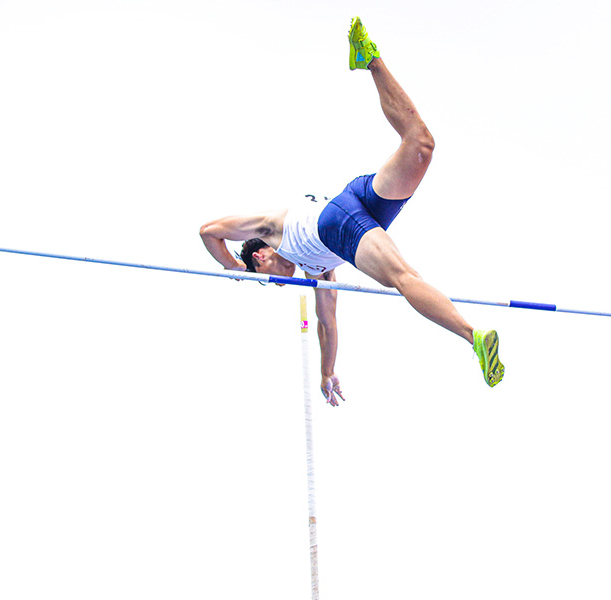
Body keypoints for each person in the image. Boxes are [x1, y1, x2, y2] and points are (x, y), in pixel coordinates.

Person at [200, 17, 504, 405]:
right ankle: (369, 59)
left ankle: (473, 337)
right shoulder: (317, 270)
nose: (277, 283)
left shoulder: (269, 228)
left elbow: (209, 230)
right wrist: (327, 372)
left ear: (259, 256)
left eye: (266, 277)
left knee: (403, 276)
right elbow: (327, 323)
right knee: (421, 145)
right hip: (353, 203)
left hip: (335, 221)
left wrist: (232, 267)